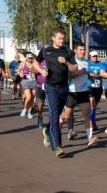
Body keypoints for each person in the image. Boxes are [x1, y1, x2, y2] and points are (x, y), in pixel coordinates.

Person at [34, 28, 78, 158]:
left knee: (58, 114)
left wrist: (67, 62)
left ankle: (47, 131)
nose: (61, 40)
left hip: (64, 87)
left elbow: (75, 68)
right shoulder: (46, 50)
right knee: (54, 114)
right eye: (59, 38)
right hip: (50, 87)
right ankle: (57, 146)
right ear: (53, 38)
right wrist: (41, 72)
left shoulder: (67, 51)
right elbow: (36, 63)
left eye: (63, 38)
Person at [61, 42, 98, 147]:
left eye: (84, 49)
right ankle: (59, 120)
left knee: (87, 114)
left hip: (84, 91)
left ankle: (89, 138)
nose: (83, 51)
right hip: (72, 92)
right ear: (75, 51)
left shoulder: (86, 62)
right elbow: (66, 76)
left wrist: (92, 76)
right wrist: (78, 73)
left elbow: (86, 73)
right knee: (67, 115)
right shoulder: (71, 62)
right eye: (80, 49)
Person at [87, 51, 104, 131]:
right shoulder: (87, 63)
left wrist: (99, 74)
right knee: (92, 103)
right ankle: (92, 123)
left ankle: (91, 119)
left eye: (96, 56)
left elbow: (103, 72)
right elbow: (87, 73)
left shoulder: (100, 64)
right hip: (90, 86)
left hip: (98, 87)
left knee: (93, 107)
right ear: (90, 56)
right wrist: (94, 74)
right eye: (94, 56)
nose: (95, 57)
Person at [17, 53, 37, 119]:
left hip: (33, 81)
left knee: (32, 98)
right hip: (25, 81)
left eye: (31, 58)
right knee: (29, 96)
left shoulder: (35, 63)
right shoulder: (23, 63)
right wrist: (20, 74)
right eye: (29, 58)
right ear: (26, 58)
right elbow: (18, 71)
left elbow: (38, 70)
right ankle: (25, 109)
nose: (30, 59)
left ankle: (29, 112)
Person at [35, 60, 47, 128]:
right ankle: (40, 118)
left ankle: (52, 122)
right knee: (40, 105)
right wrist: (41, 70)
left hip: (51, 86)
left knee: (51, 106)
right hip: (40, 86)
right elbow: (33, 70)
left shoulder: (53, 59)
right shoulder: (39, 61)